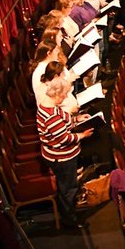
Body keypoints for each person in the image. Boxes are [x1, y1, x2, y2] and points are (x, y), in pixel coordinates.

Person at [37, 76, 93, 228]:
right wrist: (83, 135)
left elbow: (64, 119)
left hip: (63, 155)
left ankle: (70, 211)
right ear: (57, 94)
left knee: (69, 186)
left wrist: (78, 119)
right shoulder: (50, 115)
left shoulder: (50, 105)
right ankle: (69, 218)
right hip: (61, 158)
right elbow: (64, 138)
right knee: (68, 188)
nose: (65, 97)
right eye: (64, 94)